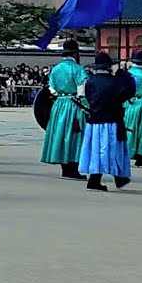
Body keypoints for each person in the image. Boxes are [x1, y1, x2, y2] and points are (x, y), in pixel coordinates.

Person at [79, 52, 134, 191]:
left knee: (96, 149)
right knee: (112, 149)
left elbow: (86, 98)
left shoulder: (89, 81)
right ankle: (99, 180)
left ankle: (114, 178)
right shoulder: (115, 81)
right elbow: (129, 93)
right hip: (112, 120)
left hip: (94, 121)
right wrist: (124, 75)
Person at [39, 40, 88, 179]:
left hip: (59, 104)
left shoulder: (55, 69)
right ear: (75, 53)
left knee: (60, 134)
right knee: (74, 135)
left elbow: (52, 89)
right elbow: (82, 91)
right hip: (74, 104)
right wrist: (87, 107)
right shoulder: (78, 69)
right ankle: (73, 167)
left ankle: (64, 168)